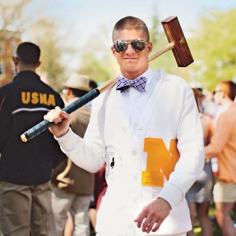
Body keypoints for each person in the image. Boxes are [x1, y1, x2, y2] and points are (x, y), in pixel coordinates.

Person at [45, 16, 204, 236]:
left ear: (148, 47)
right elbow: (92, 160)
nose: (129, 51)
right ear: (113, 51)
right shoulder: (102, 98)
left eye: (137, 44)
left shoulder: (176, 90)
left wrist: (168, 198)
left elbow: (193, 154)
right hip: (115, 223)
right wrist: (64, 135)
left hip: (166, 224)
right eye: (121, 45)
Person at [0, 42, 66, 236]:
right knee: (41, 232)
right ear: (39, 63)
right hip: (43, 177)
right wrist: (48, 165)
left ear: (15, 61)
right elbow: (62, 140)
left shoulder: (5, 94)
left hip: (12, 178)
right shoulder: (54, 98)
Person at [51, 73, 95, 236]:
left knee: (55, 225)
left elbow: (55, 148)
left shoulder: (65, 115)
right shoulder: (93, 116)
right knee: (81, 226)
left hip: (64, 178)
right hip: (86, 180)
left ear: (68, 91)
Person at [205, 80, 236, 236]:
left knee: (222, 215)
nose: (213, 95)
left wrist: (192, 154)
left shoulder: (225, 114)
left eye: (215, 92)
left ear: (223, 94)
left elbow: (216, 147)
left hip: (229, 175)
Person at [186, 88, 214, 236]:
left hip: (188, 171)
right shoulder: (207, 120)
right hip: (206, 170)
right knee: (204, 215)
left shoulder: (181, 120)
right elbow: (214, 145)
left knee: (188, 217)